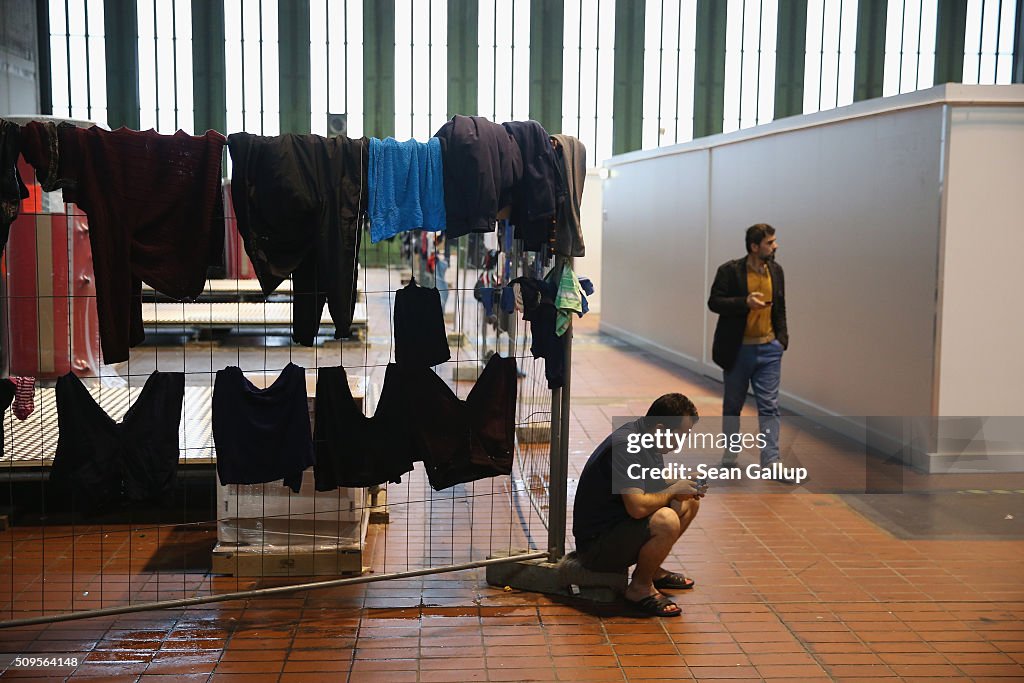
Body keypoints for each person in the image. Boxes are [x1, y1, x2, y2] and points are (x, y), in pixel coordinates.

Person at [572, 393, 705, 617]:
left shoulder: (647, 436)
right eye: (679, 436)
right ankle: (639, 588)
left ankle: (653, 571)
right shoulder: (627, 446)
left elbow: (653, 482)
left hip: (618, 528)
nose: (680, 443)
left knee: (689, 503)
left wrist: (684, 482)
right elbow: (637, 507)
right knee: (667, 519)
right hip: (596, 548)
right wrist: (674, 489)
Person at [708, 223, 793, 479]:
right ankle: (730, 453)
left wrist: (781, 340)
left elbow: (781, 307)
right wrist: (744, 302)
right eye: (770, 242)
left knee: (769, 406)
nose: (775, 246)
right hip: (738, 350)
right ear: (755, 246)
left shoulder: (776, 271)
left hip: (769, 349)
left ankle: (771, 460)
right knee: (733, 404)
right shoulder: (730, 271)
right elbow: (714, 302)